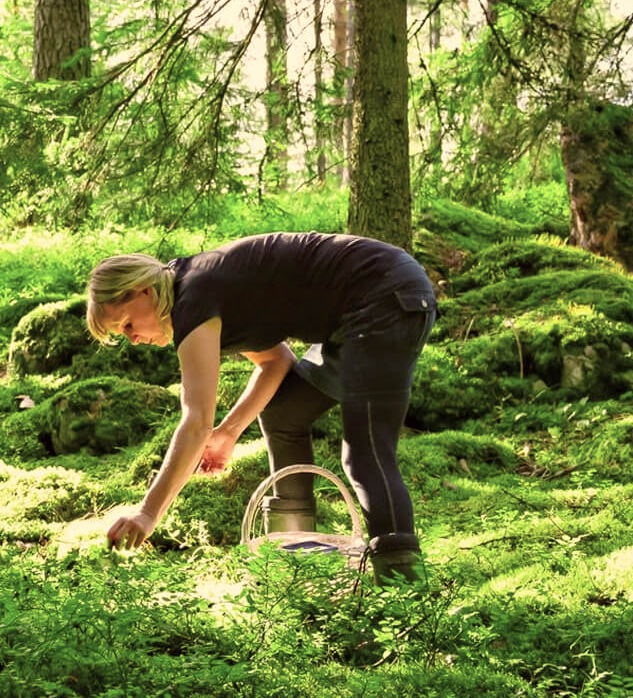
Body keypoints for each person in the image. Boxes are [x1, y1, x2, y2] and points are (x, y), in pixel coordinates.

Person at [85, 231, 437, 579]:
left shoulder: (192, 300)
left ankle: (403, 586)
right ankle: (296, 560)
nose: (133, 339)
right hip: (361, 312)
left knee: (365, 451)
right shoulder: (200, 291)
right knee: (285, 412)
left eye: (127, 324)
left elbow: (195, 424)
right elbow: (276, 362)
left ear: (143, 291)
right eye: (122, 334)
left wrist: (147, 514)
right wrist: (228, 433)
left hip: (383, 297)